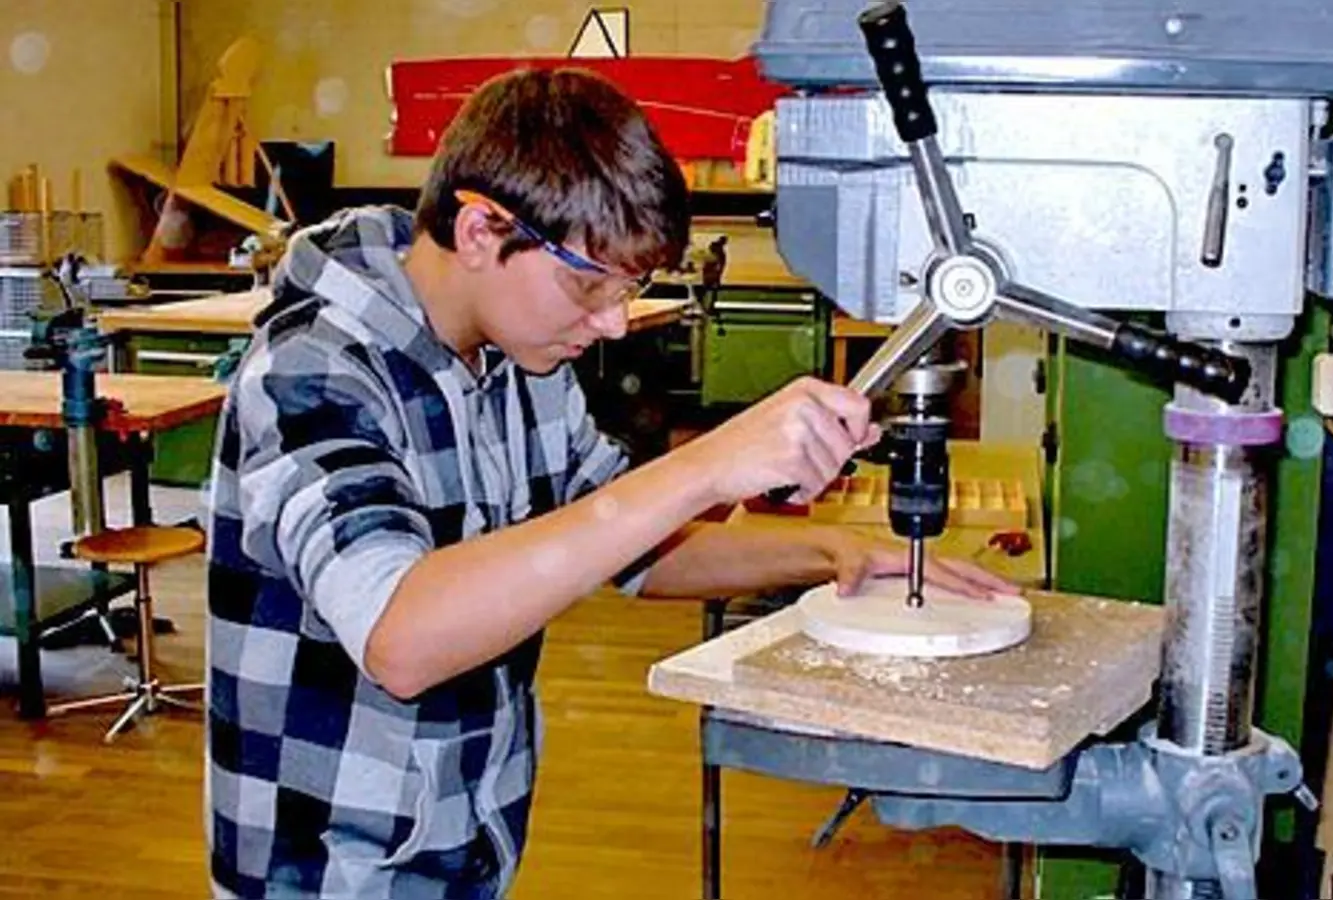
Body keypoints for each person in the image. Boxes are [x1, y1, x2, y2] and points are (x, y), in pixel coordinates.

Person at [203, 67, 1014, 899]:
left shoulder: (518, 359)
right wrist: (706, 464)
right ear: (480, 230)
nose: (615, 323)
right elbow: (401, 638)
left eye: (628, 291)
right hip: (328, 867)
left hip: (466, 841)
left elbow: (630, 548)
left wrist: (831, 552)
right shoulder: (310, 371)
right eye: (590, 286)